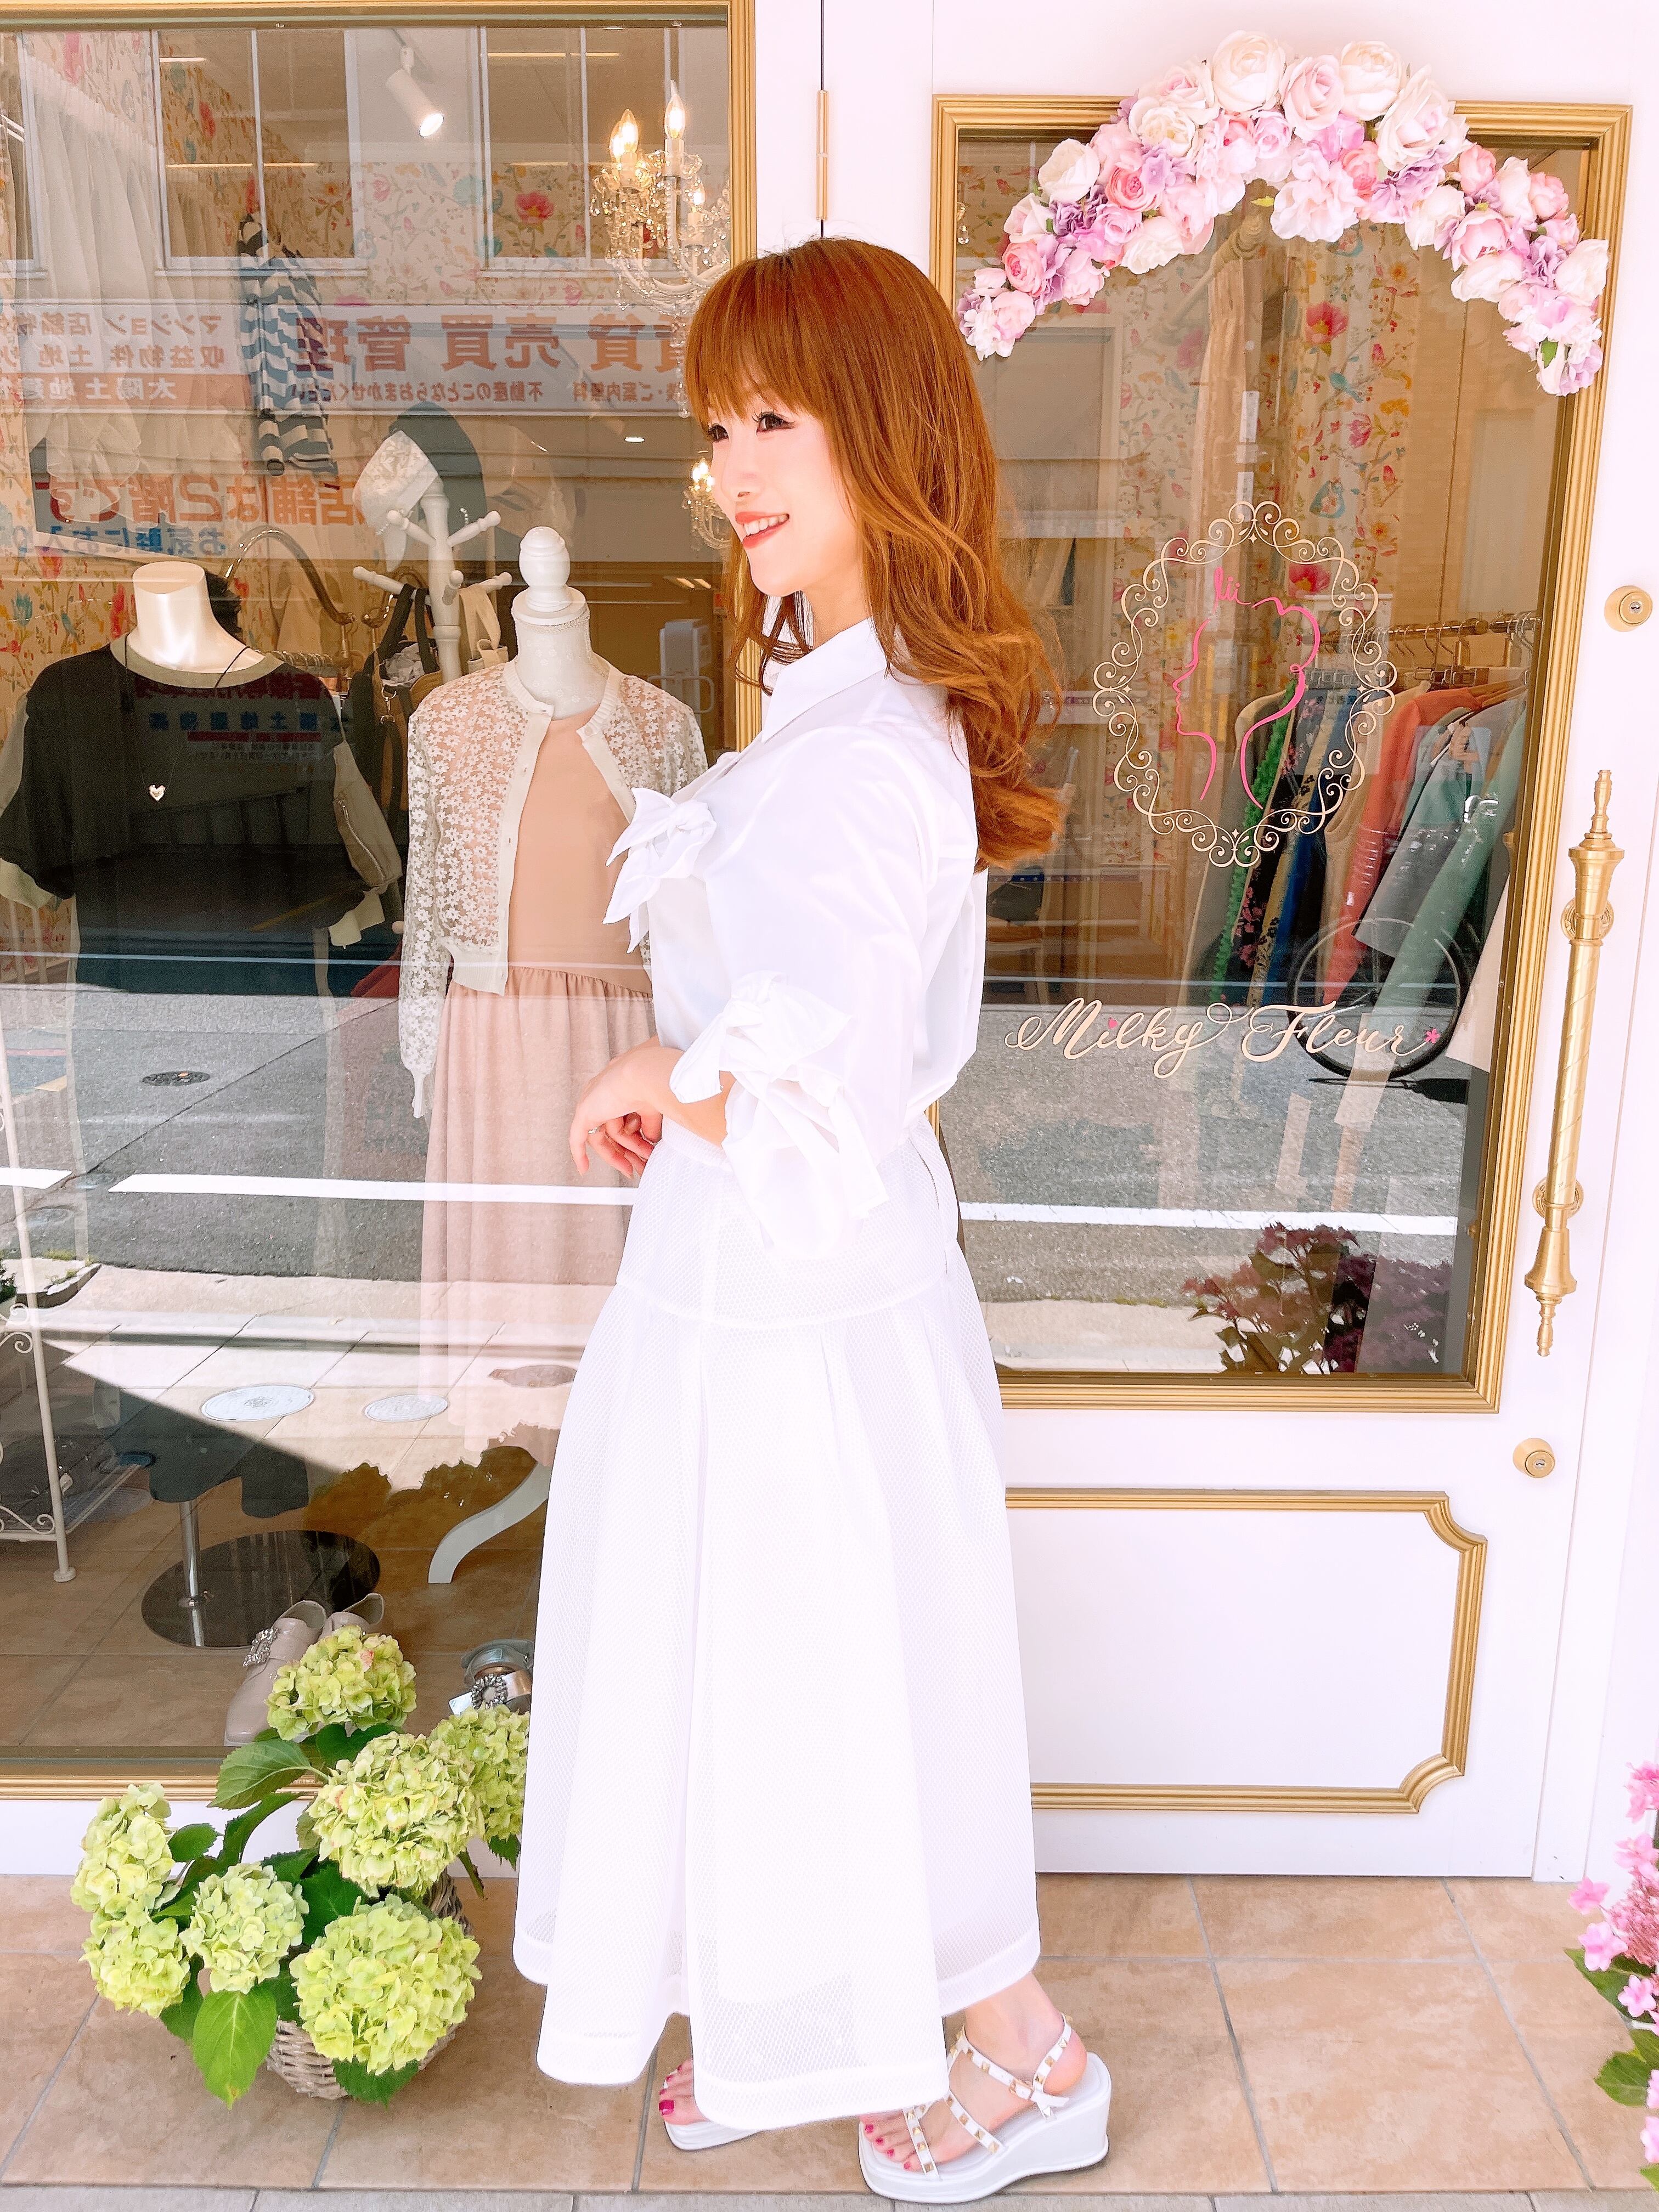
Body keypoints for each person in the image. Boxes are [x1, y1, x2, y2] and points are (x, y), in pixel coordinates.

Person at [512, 236, 1111, 2202]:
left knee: (841, 1665)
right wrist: (685, 1096)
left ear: (886, 428)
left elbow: (826, 1063)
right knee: (768, 1658)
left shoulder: (865, 746)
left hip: (800, 1296)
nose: (732, 466)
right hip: (761, 1277)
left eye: (775, 417)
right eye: (717, 426)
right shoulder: (836, 712)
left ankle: (1033, 2061)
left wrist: (660, 1076)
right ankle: (786, 2015)